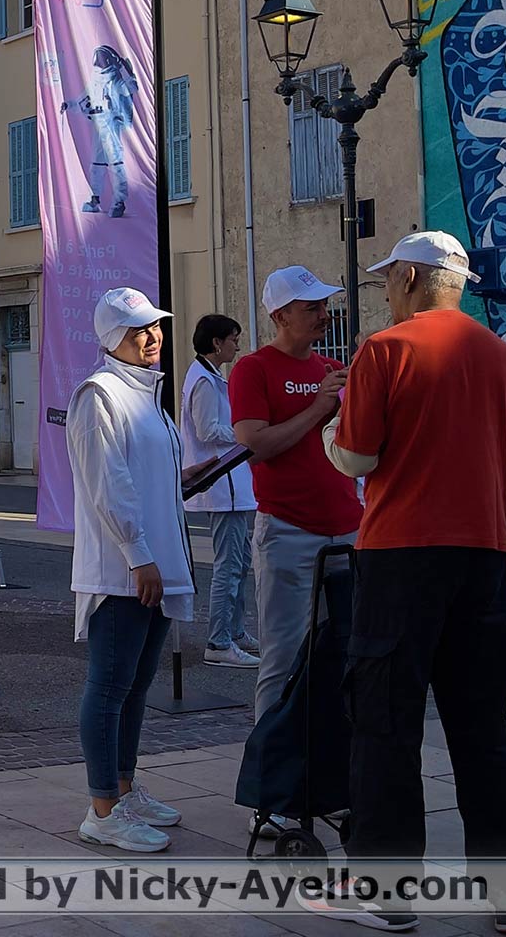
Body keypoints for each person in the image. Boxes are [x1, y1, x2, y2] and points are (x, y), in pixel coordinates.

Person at [316, 231, 506, 933]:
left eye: (388, 278)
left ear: (411, 277)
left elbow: (356, 455)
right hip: (483, 556)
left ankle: (387, 893)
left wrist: (328, 433)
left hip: (401, 552)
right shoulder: (501, 357)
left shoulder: (383, 349)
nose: (384, 289)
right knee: (481, 729)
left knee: (385, 723)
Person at [67, 288, 204, 853]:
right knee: (109, 687)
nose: (151, 337)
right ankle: (102, 807)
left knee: (135, 687)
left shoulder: (149, 398)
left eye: (153, 326)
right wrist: (138, 553)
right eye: (136, 331)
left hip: (154, 566)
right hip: (125, 570)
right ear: (109, 340)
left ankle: (123, 788)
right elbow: (110, 485)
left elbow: (146, 478)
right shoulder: (99, 395)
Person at [229, 266, 360, 724]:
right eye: (312, 308)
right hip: (288, 531)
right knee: (284, 658)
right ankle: (273, 775)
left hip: (347, 530)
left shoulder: (331, 369)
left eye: (325, 306)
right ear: (281, 315)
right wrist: (320, 406)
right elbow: (254, 446)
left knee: (347, 652)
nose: (324, 315)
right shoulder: (253, 369)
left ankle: (330, 770)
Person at [183, 314, 261, 668]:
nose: (237, 344)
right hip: (221, 481)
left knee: (240, 563)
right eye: (233, 338)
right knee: (228, 566)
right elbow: (206, 430)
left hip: (234, 480)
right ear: (217, 343)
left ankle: (235, 630)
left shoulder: (210, 376)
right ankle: (219, 641)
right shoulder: (201, 380)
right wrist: (245, 431)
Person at [60, 45, 139, 217]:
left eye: (102, 59)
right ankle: (95, 199)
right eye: (98, 59)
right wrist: (69, 105)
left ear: (110, 61)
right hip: (99, 125)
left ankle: (119, 201)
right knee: (96, 164)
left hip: (111, 125)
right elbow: (83, 100)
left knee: (116, 163)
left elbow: (131, 89)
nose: (99, 63)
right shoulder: (95, 81)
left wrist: (126, 71)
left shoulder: (116, 80)